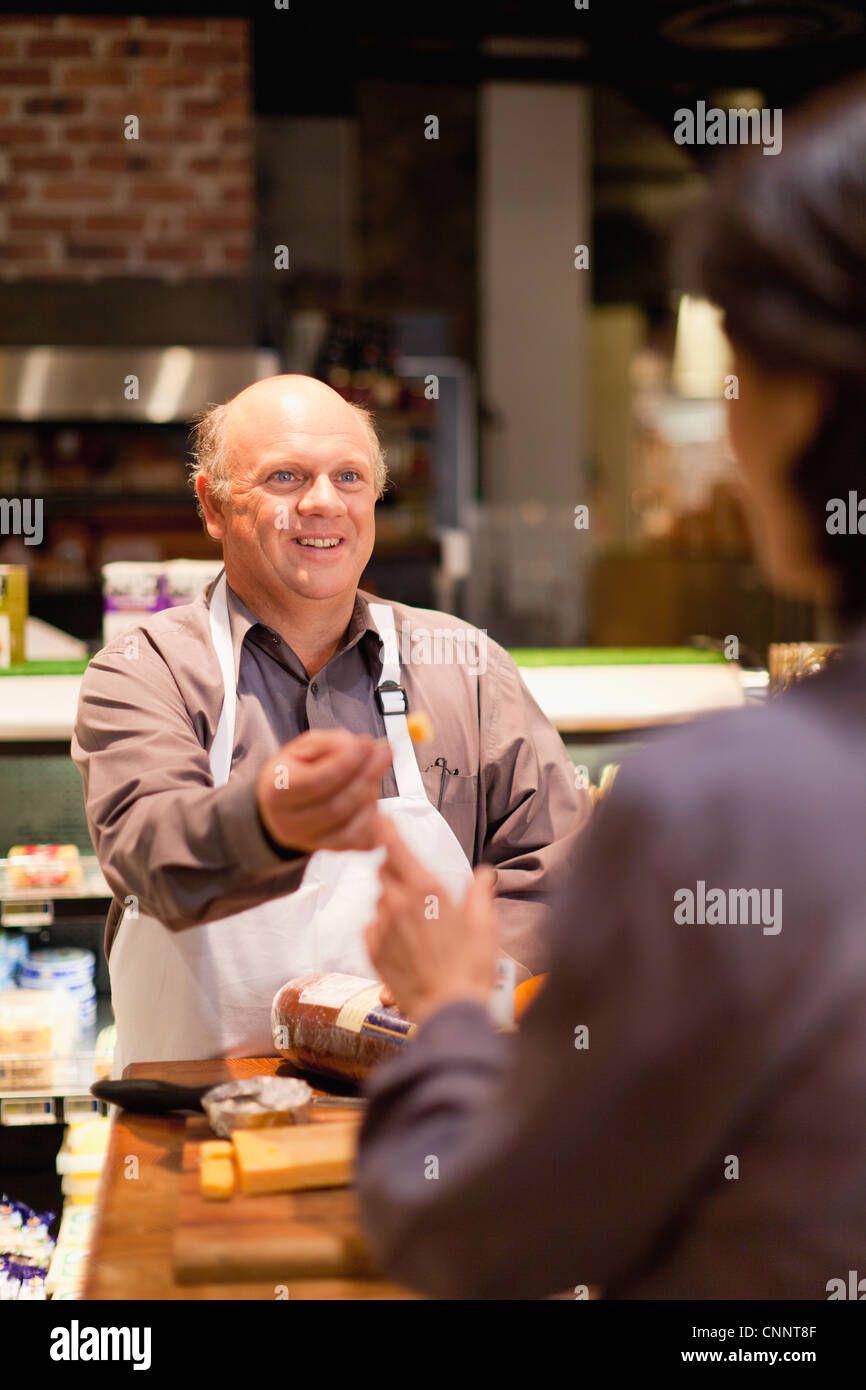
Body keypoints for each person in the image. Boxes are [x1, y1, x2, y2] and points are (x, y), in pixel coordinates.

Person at [355, 77, 866, 1299]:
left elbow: (478, 1232)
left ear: (803, 399)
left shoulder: (736, 807)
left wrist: (445, 1013)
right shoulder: (150, 665)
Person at [72, 374, 587, 1077]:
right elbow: (150, 858)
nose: (322, 504)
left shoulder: (465, 668)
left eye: (349, 476)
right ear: (214, 506)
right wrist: (266, 823)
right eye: (285, 476)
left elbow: (555, 877)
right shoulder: (144, 670)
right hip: (206, 1128)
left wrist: (466, 988)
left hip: (427, 1110)